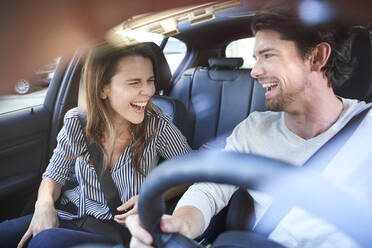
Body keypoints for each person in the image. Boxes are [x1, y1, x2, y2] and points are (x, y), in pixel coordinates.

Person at [126, 4, 372, 248]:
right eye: (256, 58)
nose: (254, 71)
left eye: (268, 55)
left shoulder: (368, 126)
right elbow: (209, 189)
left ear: (317, 57)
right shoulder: (254, 128)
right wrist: (177, 224)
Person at [0, 42, 191, 248]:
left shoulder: (157, 123)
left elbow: (191, 172)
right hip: (70, 214)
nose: (148, 91)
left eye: (150, 80)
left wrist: (151, 197)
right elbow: (54, 175)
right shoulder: (77, 121)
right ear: (103, 89)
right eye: (135, 83)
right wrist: (44, 205)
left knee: (44, 242)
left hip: (117, 228)